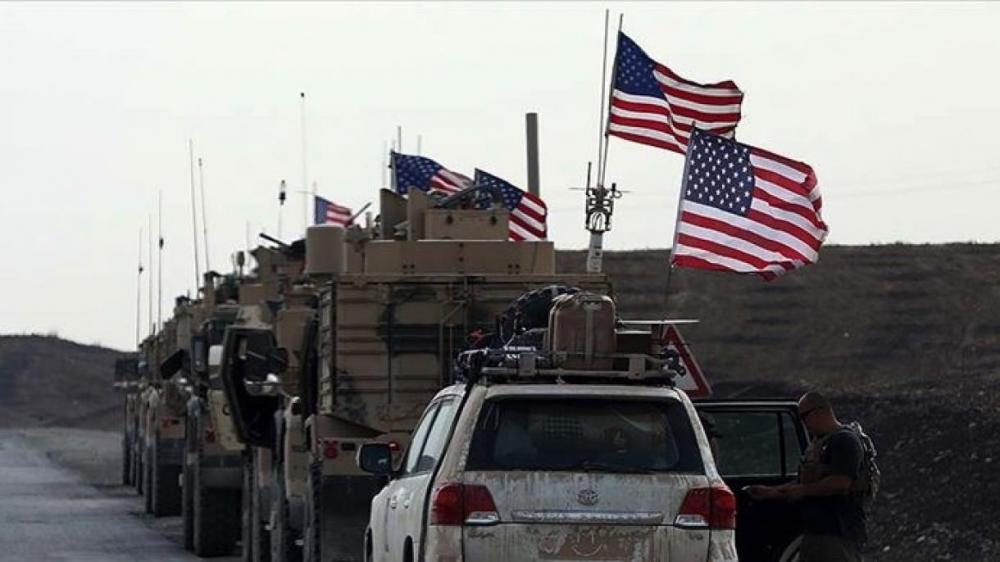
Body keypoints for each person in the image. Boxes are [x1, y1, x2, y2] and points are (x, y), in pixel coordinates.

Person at [747, 392, 867, 562]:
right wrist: (772, 492)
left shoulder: (844, 440)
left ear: (820, 411)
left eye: (804, 416)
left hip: (838, 532)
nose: (804, 423)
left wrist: (803, 491)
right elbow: (806, 480)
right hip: (816, 532)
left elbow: (841, 483)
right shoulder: (819, 444)